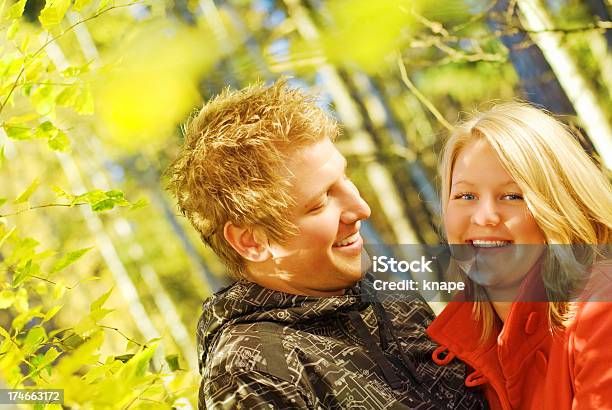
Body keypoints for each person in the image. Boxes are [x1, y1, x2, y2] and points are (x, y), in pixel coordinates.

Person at [165, 80, 486, 409]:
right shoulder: (252, 377)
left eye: (344, 178)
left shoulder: (387, 296)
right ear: (252, 241)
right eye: (319, 203)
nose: (362, 209)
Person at [427, 101, 612, 410]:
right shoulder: (457, 348)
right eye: (465, 196)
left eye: (513, 196)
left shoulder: (600, 306)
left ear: (559, 205)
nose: (484, 217)